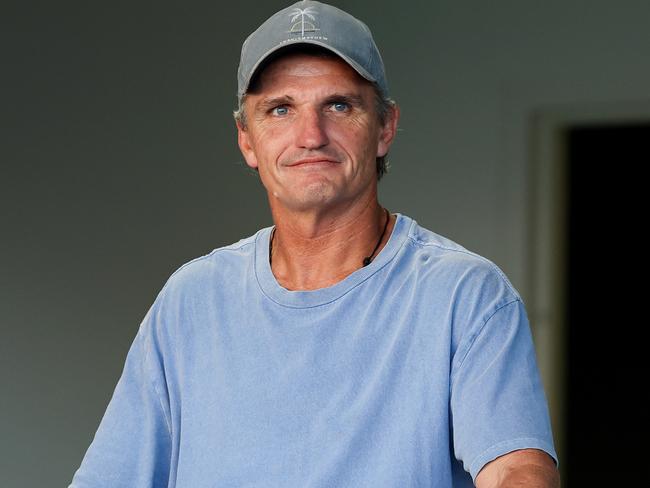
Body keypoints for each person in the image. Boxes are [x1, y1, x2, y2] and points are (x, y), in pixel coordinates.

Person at [69, 1, 559, 486]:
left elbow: (517, 470)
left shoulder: (466, 295)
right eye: (280, 109)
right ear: (246, 140)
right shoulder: (191, 301)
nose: (311, 136)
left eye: (339, 105)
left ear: (385, 127)